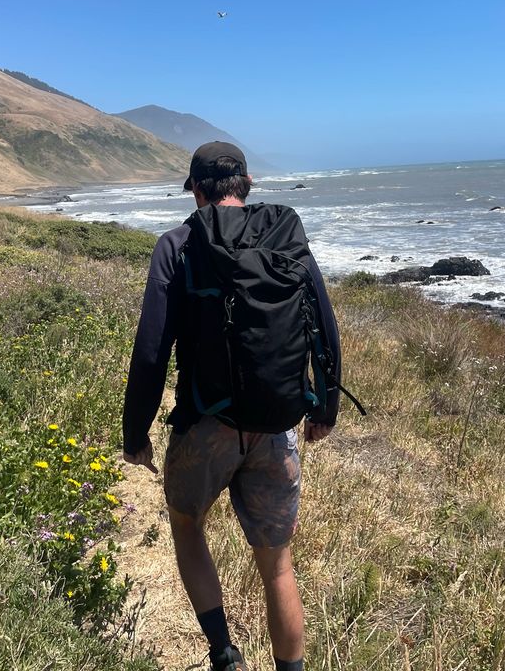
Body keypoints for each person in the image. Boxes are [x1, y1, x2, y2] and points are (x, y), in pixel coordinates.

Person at [121, 141, 342, 671]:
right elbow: (324, 327)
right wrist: (325, 408)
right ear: (245, 184)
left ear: (195, 189)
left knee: (187, 525)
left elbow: (151, 350)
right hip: (277, 424)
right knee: (278, 568)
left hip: (205, 424)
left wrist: (136, 434)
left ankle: (224, 653)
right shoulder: (285, 238)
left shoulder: (176, 244)